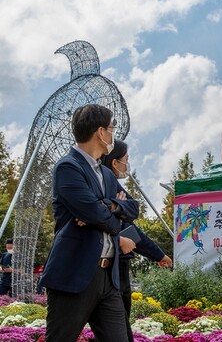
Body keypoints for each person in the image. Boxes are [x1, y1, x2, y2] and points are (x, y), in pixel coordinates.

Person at [39, 104, 139, 342]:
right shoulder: (68, 167)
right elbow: (95, 214)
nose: (113, 134)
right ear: (100, 131)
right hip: (74, 274)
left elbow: (133, 208)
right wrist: (110, 212)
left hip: (108, 277)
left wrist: (109, 206)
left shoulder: (105, 173)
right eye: (112, 128)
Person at [101, 139, 173, 341]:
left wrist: (158, 254)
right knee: (118, 324)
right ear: (114, 163)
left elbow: (131, 215)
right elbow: (126, 226)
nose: (127, 164)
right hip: (111, 265)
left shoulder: (111, 186)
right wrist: (117, 210)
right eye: (126, 159)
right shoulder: (109, 187)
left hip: (116, 264)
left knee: (116, 326)